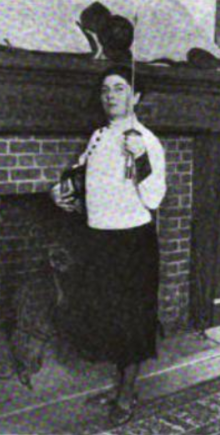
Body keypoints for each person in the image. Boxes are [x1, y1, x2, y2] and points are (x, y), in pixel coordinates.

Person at [51, 65, 166, 426]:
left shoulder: (145, 139)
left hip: (132, 242)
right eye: (105, 90)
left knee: (131, 319)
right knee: (106, 315)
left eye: (119, 88)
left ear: (136, 97)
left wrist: (141, 157)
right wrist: (62, 192)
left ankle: (127, 394)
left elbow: (154, 197)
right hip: (98, 238)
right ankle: (119, 388)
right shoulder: (98, 135)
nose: (110, 96)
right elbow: (79, 175)